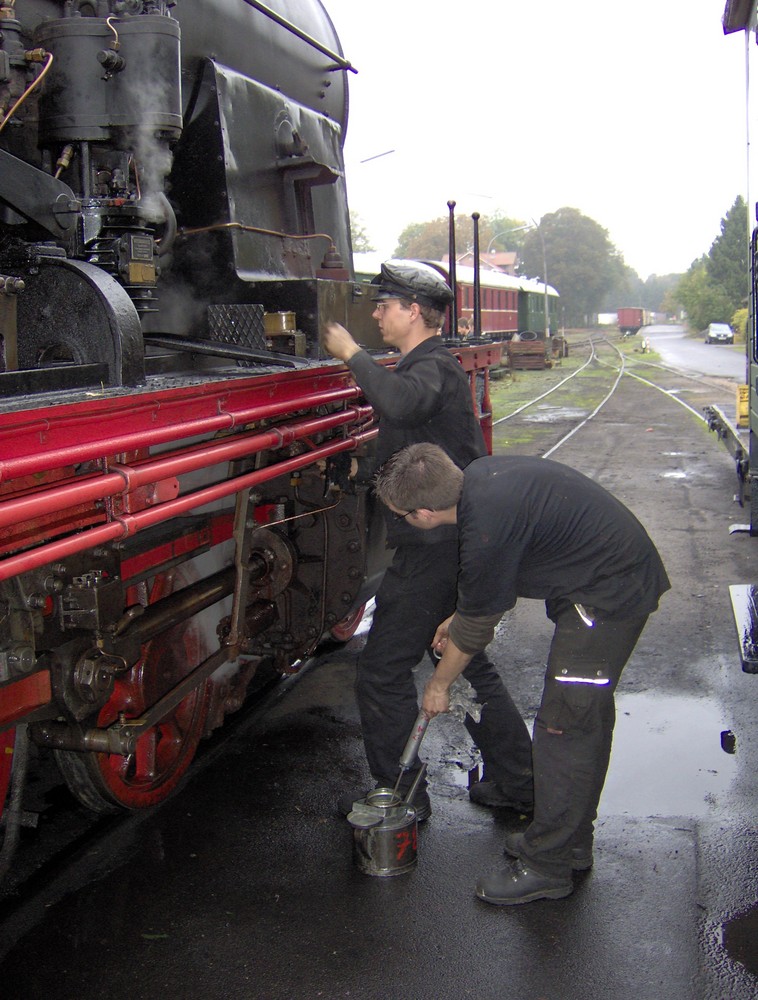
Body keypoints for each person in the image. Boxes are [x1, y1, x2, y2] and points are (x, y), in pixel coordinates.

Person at [373, 442, 670, 904]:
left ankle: (548, 866)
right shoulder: (483, 482)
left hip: (606, 599)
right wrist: (462, 617)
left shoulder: (483, 525)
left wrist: (438, 685)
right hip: (606, 583)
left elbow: (476, 628)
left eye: (402, 514)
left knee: (563, 729)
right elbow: (484, 599)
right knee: (582, 722)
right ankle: (567, 844)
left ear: (425, 513)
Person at [321, 260, 534, 822]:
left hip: (434, 547)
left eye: (384, 305)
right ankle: (518, 779)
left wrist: (350, 353)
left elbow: (400, 405)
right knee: (465, 660)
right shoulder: (425, 365)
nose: (375, 315)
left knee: (382, 669)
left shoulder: (432, 366)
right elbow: (408, 431)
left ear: (414, 311)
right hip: (444, 542)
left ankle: (402, 793)